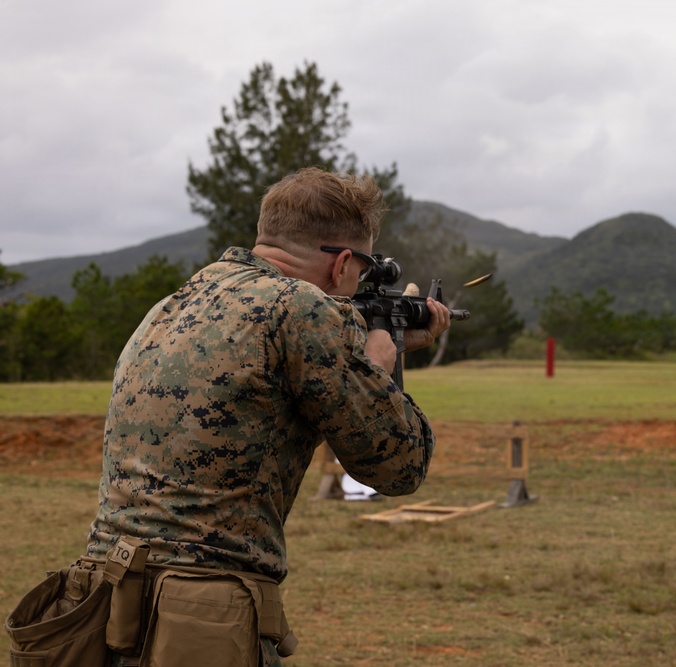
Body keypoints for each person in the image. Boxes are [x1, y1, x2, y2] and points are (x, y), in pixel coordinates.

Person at [5, 167, 450, 666]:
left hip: (100, 605)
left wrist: (357, 362)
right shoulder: (302, 309)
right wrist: (379, 372)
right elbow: (398, 466)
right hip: (199, 620)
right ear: (342, 263)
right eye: (362, 271)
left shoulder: (173, 304)